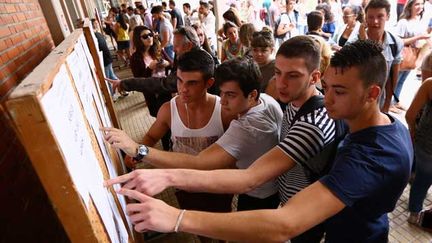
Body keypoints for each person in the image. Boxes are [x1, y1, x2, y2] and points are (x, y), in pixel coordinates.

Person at [105, 39, 413, 243]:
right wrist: (168, 175)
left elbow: (284, 222)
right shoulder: (379, 124)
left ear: (372, 94)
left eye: (340, 91)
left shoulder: (366, 153)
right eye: (329, 87)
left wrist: (177, 217)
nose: (328, 98)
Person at [104, 58, 283, 211]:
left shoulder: (245, 127)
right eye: (222, 93)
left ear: (252, 95)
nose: (224, 100)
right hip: (269, 186)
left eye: (231, 95)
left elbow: (199, 163)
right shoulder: (266, 100)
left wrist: (138, 149)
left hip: (257, 193)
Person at [353, 0, 404, 113]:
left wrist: (387, 104)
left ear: (388, 17)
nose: (375, 21)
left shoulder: (395, 43)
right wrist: (364, 41)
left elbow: (392, 76)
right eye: (370, 17)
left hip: (379, 100)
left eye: (380, 16)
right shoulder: (356, 40)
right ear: (365, 18)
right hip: (357, 98)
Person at [391, 0, 431, 113]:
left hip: (414, 54)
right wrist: (418, 37)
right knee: (395, 79)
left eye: (422, 4)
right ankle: (388, 103)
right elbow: (400, 41)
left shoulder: (420, 21)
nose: (420, 7)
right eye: (417, 4)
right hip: (403, 54)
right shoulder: (403, 22)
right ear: (410, 6)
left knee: (402, 80)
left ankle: (396, 100)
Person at [405, 77, 432, 225]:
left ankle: (414, 213)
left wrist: (413, 132)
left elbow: (410, 115)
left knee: (422, 180)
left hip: (425, 144)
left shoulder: (430, 83)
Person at [130, 26, 170, 117]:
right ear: (138, 40)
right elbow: (139, 81)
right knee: (162, 118)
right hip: (154, 95)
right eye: (145, 36)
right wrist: (150, 68)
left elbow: (172, 64)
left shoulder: (157, 49)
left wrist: (166, 64)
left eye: (150, 35)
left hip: (167, 89)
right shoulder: (135, 58)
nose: (149, 38)